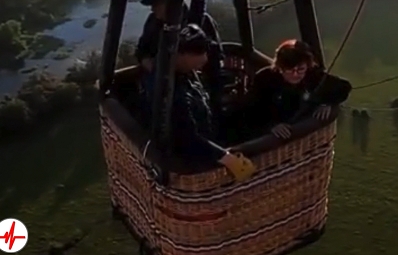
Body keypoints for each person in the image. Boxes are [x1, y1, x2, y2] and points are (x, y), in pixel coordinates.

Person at [141, 24, 255, 181]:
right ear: (180, 54)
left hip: (209, 131)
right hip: (195, 154)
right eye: (199, 53)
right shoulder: (169, 91)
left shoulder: (182, 72)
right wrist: (226, 157)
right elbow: (185, 137)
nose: (205, 58)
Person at [245, 39, 352, 141]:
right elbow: (254, 110)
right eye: (289, 70)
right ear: (280, 67)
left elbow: (344, 87)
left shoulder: (312, 75)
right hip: (269, 131)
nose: (295, 74)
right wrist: (271, 126)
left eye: (300, 69)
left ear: (307, 66)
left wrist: (328, 102)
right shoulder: (265, 78)